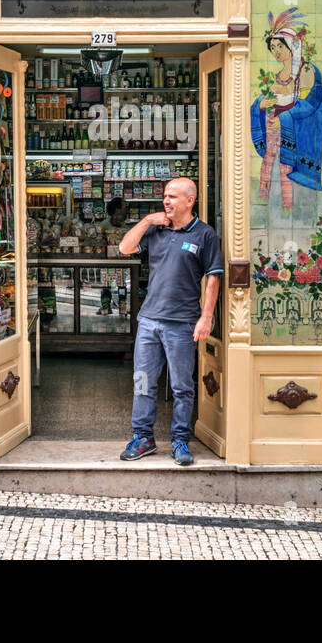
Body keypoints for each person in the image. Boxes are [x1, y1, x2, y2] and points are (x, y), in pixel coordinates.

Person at [117, 178, 223, 466]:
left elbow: (214, 277)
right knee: (143, 381)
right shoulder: (156, 231)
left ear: (190, 201)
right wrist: (147, 221)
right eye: (165, 196)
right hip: (149, 321)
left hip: (182, 323)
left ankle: (179, 440)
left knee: (182, 387)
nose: (167, 201)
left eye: (173, 197)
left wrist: (207, 316)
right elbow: (125, 249)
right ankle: (143, 437)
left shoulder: (204, 234)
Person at [251, 8, 322, 212]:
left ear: (292, 46)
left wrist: (285, 117)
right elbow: (267, 100)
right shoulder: (278, 75)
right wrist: (260, 104)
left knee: (286, 169)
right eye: (273, 47)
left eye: (279, 46)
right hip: (272, 130)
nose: (276, 52)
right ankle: (263, 206)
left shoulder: (306, 71)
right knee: (269, 166)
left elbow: (311, 103)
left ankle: (289, 208)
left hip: (291, 132)